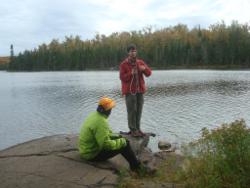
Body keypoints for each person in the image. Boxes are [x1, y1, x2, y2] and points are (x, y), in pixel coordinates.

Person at [78, 97, 141, 171]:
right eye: (110, 109)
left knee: (120, 139)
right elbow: (106, 145)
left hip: (85, 150)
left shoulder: (94, 115)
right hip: (92, 154)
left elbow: (104, 134)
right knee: (125, 144)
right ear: (107, 111)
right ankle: (136, 168)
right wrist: (122, 142)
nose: (111, 111)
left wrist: (117, 137)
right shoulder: (101, 122)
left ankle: (135, 165)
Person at [119, 44, 152, 137]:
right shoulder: (124, 64)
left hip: (140, 91)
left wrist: (144, 69)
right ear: (128, 52)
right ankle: (133, 130)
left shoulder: (140, 62)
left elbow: (149, 73)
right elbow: (122, 78)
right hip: (130, 92)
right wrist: (130, 73)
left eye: (134, 51)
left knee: (139, 110)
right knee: (131, 111)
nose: (133, 53)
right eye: (131, 51)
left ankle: (138, 129)